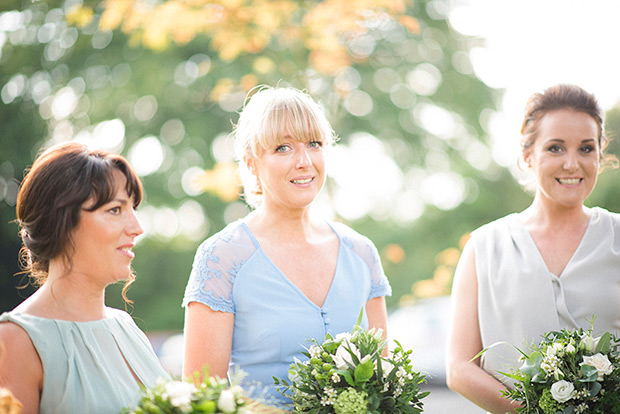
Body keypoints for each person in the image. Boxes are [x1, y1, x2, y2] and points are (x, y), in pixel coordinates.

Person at [182, 86, 392, 407]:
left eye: (314, 144)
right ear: (251, 164)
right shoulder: (222, 257)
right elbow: (201, 398)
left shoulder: (362, 253)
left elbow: (384, 384)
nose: (304, 161)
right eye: (283, 148)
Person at [446, 84, 620, 413]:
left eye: (586, 148)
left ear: (600, 153)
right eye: (555, 148)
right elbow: (459, 368)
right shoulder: (484, 247)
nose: (572, 164)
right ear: (528, 156)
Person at [0, 142, 169, 414]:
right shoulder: (15, 341)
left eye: (133, 209)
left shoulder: (126, 327)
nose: (137, 228)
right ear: (62, 222)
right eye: (115, 209)